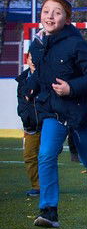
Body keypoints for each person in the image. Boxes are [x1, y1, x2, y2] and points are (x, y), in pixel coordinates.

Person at [28, 0, 87, 228]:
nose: (50, 16)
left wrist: (71, 88)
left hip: (80, 113)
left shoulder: (76, 43)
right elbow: (38, 77)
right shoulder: (36, 45)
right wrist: (29, 89)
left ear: (67, 19)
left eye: (56, 12)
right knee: (46, 155)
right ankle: (49, 211)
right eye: (46, 11)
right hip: (53, 112)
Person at [16, 57, 41, 197]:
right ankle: (37, 186)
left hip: (46, 124)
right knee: (29, 156)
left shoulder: (47, 76)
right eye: (31, 58)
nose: (33, 61)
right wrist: (25, 117)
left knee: (46, 156)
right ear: (27, 59)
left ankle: (48, 186)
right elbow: (21, 102)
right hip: (30, 125)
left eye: (35, 58)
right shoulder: (22, 79)